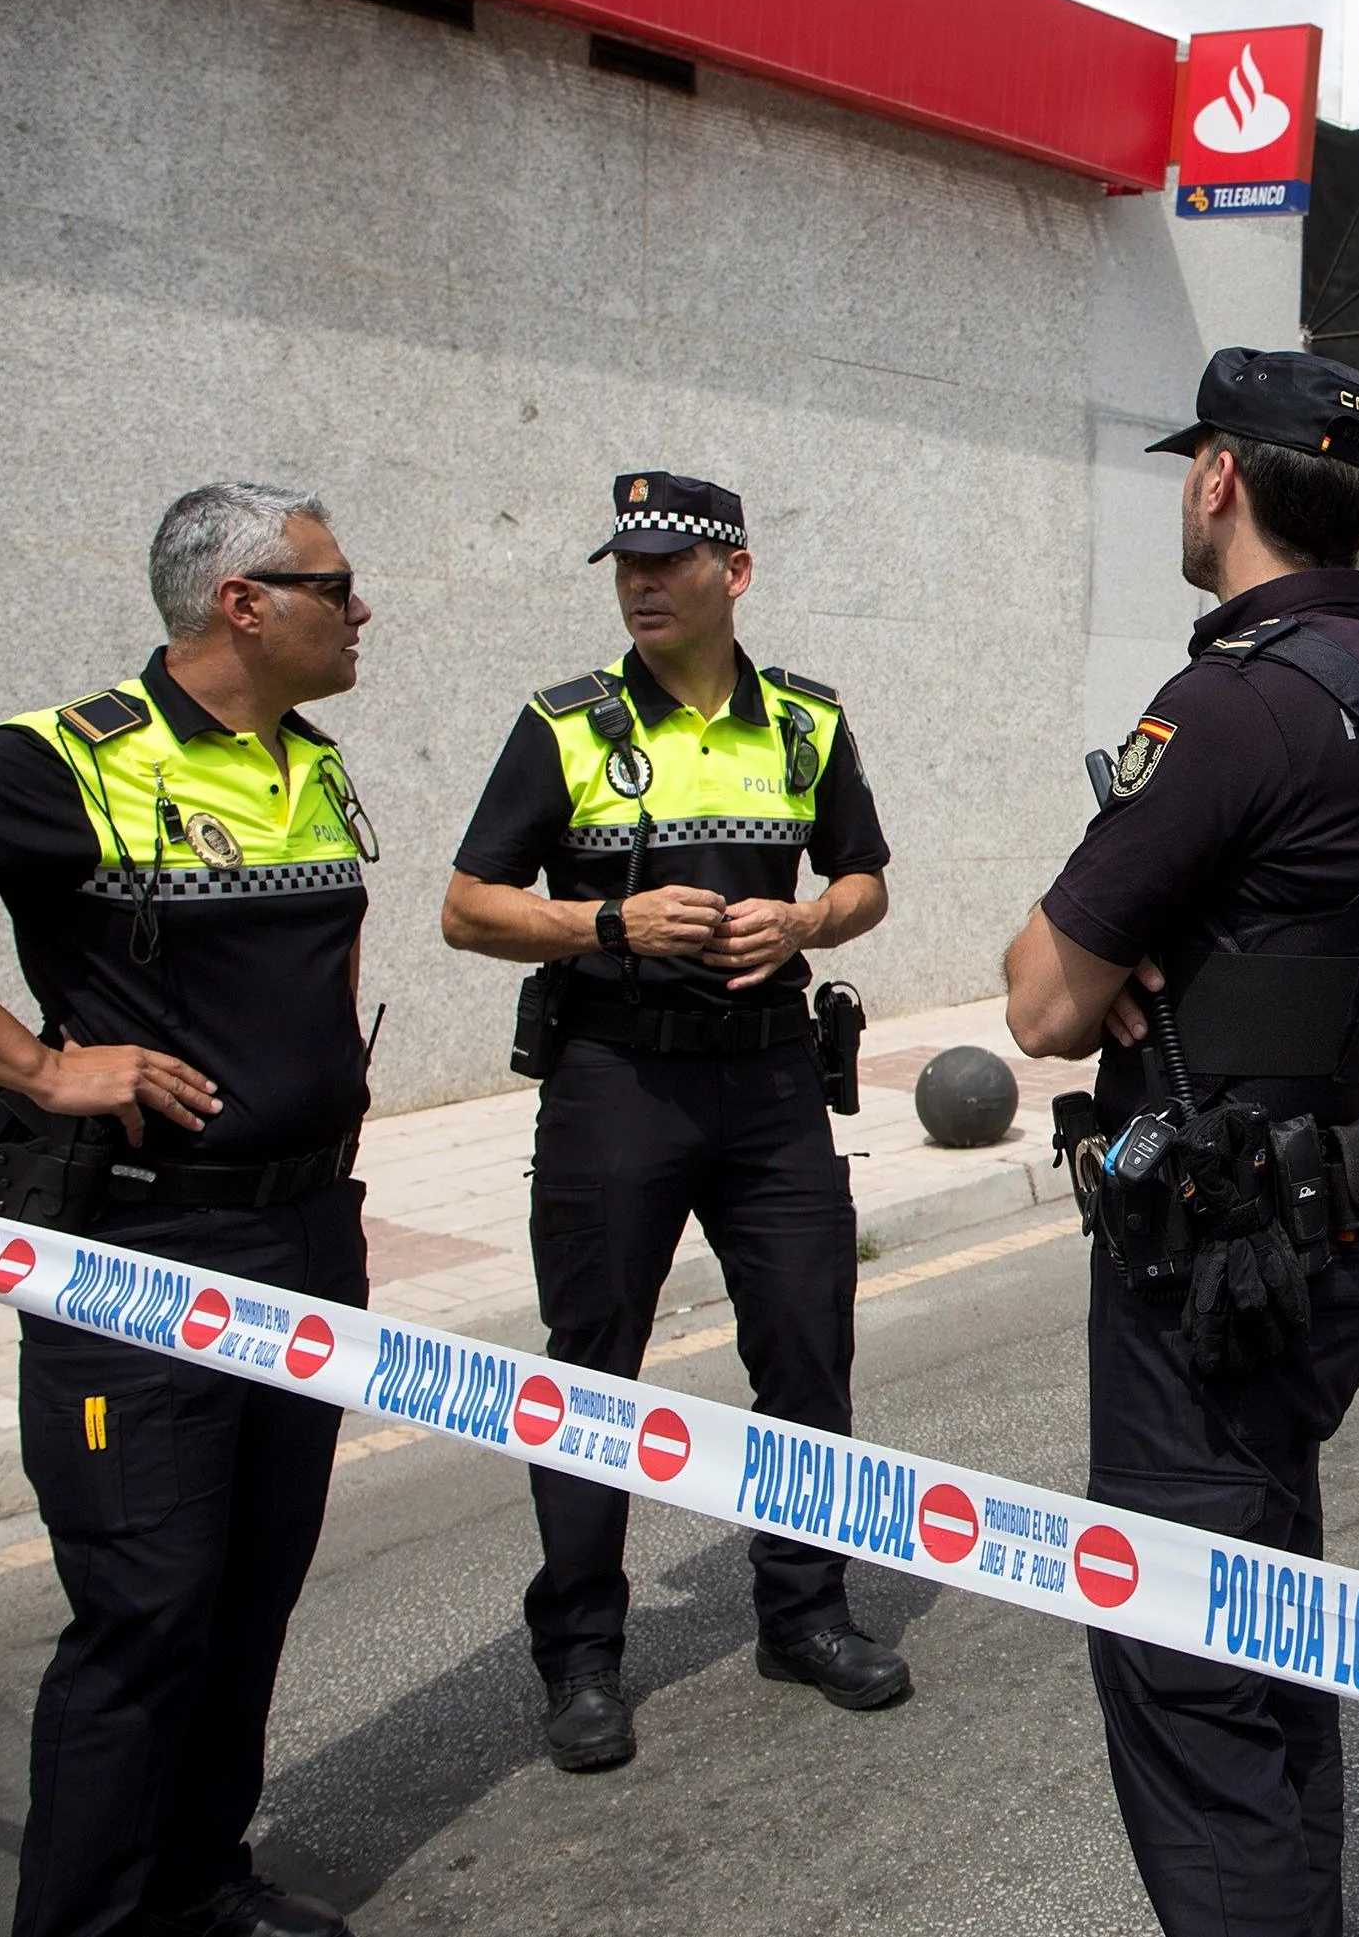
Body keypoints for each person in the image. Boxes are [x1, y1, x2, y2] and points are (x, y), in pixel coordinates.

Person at [0, 484, 377, 1937]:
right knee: (145, 1617)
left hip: (307, 1239)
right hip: (145, 1253)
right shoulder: (64, 760)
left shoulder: (304, 761)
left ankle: (199, 1883)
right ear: (244, 602)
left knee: (247, 1601)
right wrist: (38, 1064)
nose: (361, 608)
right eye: (335, 583)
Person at [1005, 349, 1359, 1937]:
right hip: (1317, 1228)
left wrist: (1127, 956)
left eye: (1186, 465)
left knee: (1187, 1674)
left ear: (1220, 479)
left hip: (1207, 1262)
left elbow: (1041, 1002)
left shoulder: (1235, 701)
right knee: (1267, 1634)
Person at [440, 472, 902, 1774]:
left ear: (734, 573)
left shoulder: (806, 719)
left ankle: (804, 1615)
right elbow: (467, 905)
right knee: (590, 1373)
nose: (641, 585)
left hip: (768, 1085)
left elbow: (864, 874)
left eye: (668, 564)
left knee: (808, 1354)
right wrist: (606, 923)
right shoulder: (566, 724)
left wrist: (811, 919)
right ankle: (582, 1658)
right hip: (615, 1083)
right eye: (624, 566)